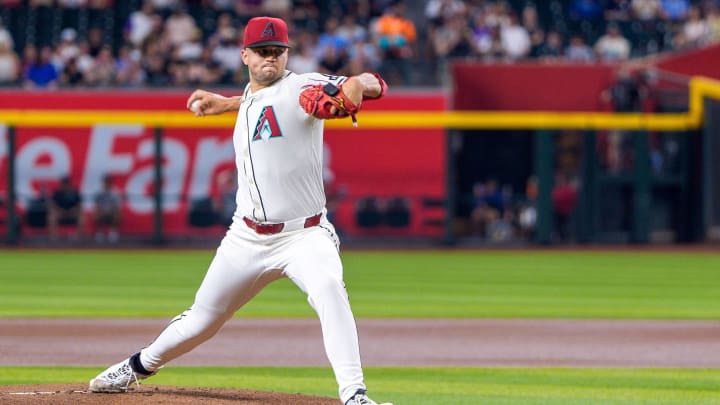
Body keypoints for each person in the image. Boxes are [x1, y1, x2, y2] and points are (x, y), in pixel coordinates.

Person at [88, 16, 391, 405]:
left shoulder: (303, 86)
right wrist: (228, 102)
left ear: (287, 55)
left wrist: (358, 83)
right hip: (245, 237)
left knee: (329, 290)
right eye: (263, 52)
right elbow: (263, 103)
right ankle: (137, 366)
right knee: (202, 320)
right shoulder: (251, 96)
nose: (271, 59)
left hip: (304, 235)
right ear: (244, 55)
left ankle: (355, 395)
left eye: (278, 52)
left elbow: (370, 86)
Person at [93, 174, 122, 243]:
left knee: (116, 214)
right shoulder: (99, 193)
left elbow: (117, 206)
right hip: (102, 212)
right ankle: (100, 232)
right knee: (97, 214)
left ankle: (113, 232)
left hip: (111, 212)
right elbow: (97, 206)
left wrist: (113, 212)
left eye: (108, 181)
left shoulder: (115, 193)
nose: (107, 183)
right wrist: (99, 212)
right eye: (106, 181)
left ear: (111, 182)